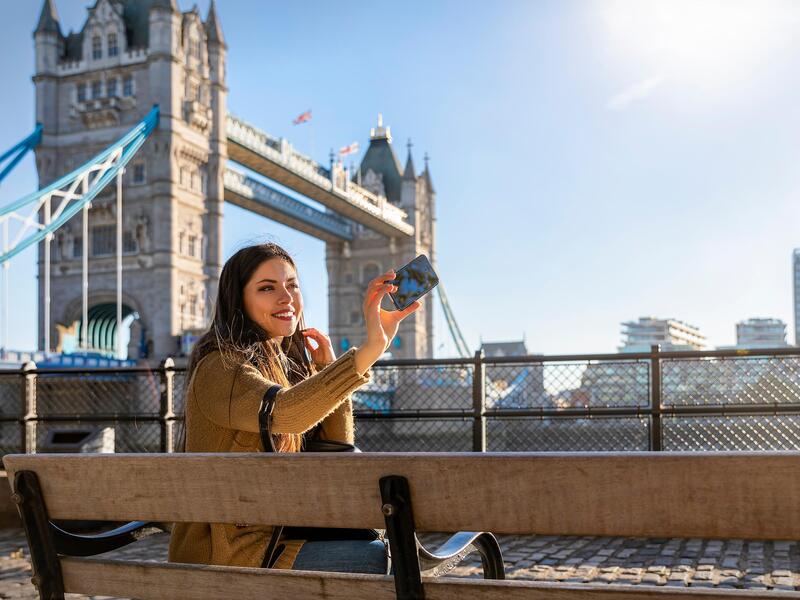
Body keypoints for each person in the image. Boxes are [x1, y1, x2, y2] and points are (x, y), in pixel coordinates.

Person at [168, 243, 420, 573]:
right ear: (238, 299)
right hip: (233, 555)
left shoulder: (281, 367)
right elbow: (287, 413)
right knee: (384, 561)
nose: (286, 298)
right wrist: (370, 350)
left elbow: (336, 447)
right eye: (267, 288)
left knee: (386, 553)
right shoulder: (221, 368)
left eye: (292, 285)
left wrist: (325, 368)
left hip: (279, 536)